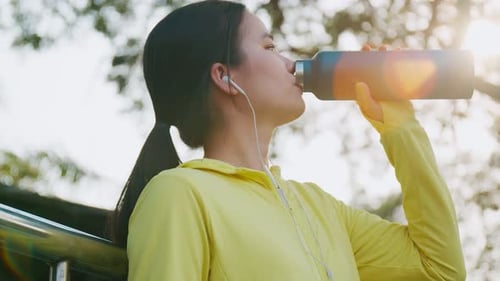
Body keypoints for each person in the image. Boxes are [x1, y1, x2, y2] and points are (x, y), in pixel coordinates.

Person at [110, 1, 466, 280]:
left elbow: (440, 269)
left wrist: (400, 126)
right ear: (225, 77)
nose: (291, 64)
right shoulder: (179, 194)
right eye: (269, 47)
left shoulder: (320, 208)